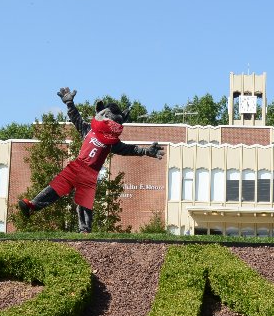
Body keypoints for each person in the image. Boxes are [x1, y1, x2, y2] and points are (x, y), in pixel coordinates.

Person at [17, 87, 164, 233]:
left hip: (89, 173)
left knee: (84, 201)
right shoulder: (88, 130)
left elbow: (129, 149)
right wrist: (69, 103)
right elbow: (76, 118)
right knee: (55, 187)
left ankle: (85, 229)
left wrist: (146, 151)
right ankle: (33, 205)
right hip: (77, 166)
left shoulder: (112, 142)